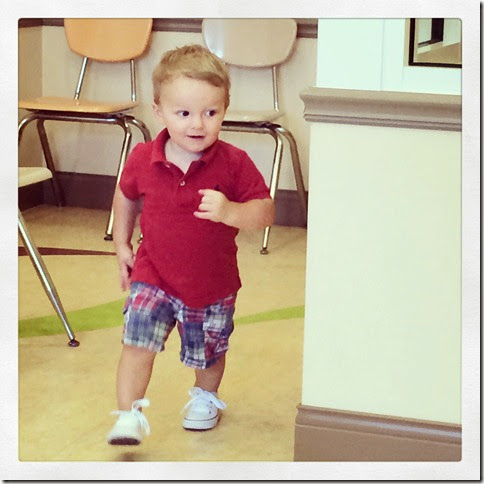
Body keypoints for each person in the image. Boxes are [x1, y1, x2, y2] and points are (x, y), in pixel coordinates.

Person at [107, 44, 275, 445]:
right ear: (159, 111)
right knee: (136, 342)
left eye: (210, 112)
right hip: (153, 274)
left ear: (225, 108)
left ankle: (205, 396)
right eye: (183, 113)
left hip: (211, 284)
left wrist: (231, 211)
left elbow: (265, 211)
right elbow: (125, 194)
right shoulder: (143, 157)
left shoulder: (234, 162)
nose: (197, 124)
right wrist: (122, 244)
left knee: (208, 353)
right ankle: (128, 415)